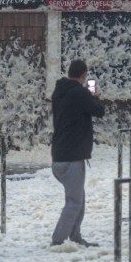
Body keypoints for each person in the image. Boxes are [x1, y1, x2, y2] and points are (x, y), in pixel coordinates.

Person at [50, 59, 105, 247]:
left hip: (58, 155)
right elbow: (99, 111)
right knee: (74, 202)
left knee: (78, 199)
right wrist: (95, 97)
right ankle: (58, 241)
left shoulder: (59, 92)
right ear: (83, 76)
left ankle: (75, 237)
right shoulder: (80, 93)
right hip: (72, 157)